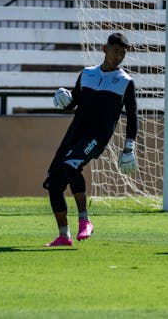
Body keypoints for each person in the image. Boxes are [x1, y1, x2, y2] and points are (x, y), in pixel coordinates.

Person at [43, 32, 138, 246]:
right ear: (105, 50)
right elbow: (73, 103)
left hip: (97, 137)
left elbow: (132, 116)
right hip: (74, 134)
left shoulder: (125, 82)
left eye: (123, 53)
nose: (119, 57)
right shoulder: (87, 74)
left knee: (71, 163)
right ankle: (63, 236)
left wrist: (129, 146)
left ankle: (85, 221)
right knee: (53, 184)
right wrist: (62, 99)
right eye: (116, 51)